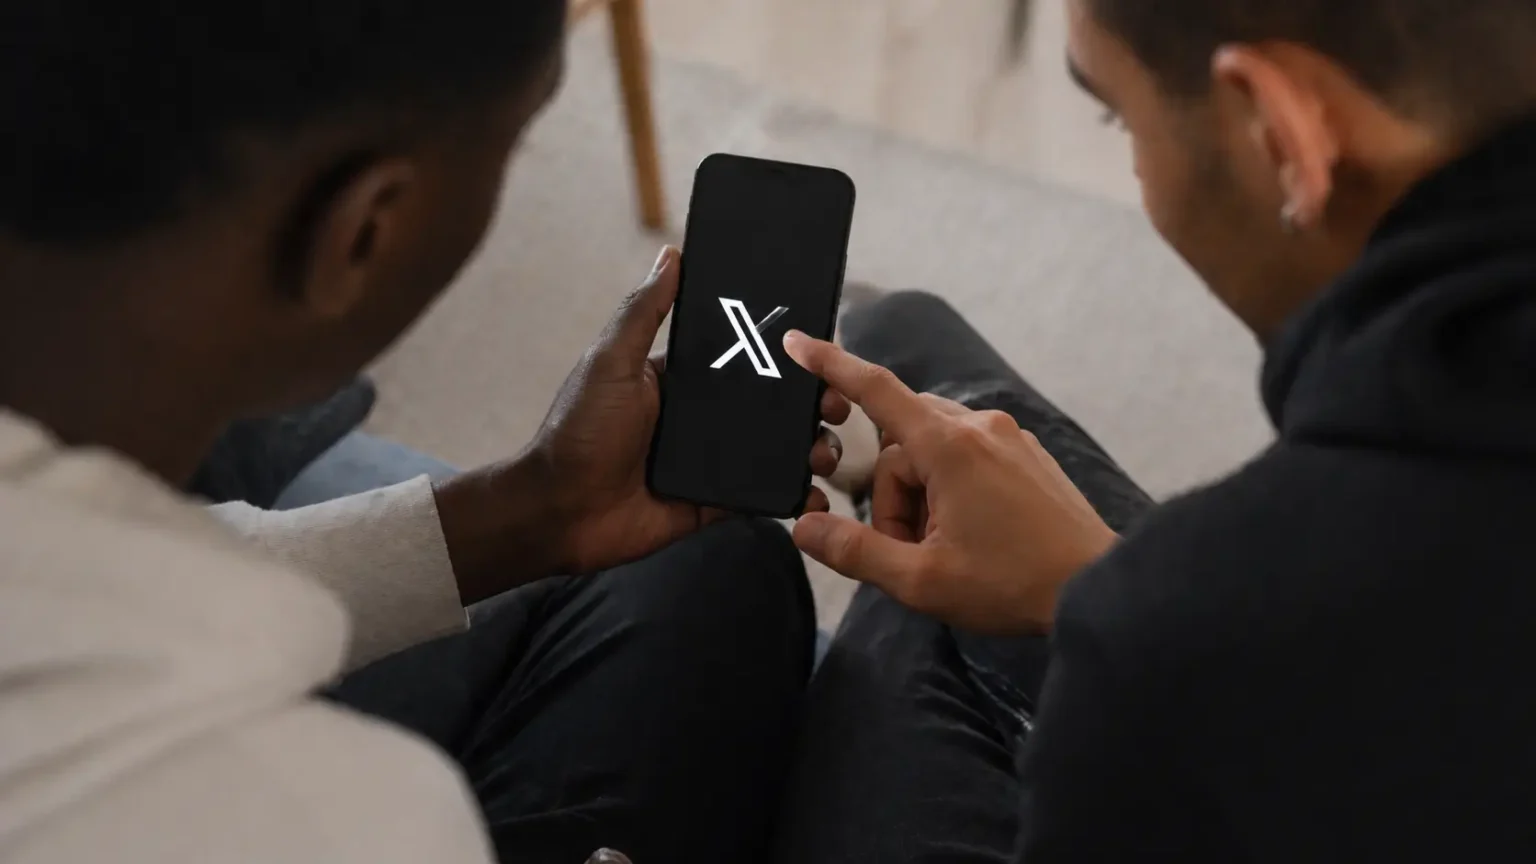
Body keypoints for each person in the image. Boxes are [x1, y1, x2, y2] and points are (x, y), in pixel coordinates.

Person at [0, 3, 849, 863]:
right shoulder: (359, 821)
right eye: (514, 147)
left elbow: (114, 578)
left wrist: (535, 508)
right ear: (366, 229)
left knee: (714, 563)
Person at [770, 0, 1536, 861]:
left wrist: (1116, 613)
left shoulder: (1178, 639)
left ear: (1281, 133)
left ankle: (881, 482)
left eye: (1116, 114)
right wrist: (1087, 587)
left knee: (882, 585)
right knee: (913, 346)